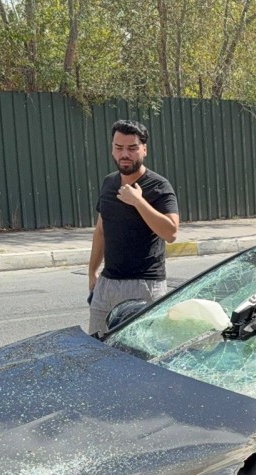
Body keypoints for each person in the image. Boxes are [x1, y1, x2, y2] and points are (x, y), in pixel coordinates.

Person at [88, 119, 180, 337]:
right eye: (119, 148)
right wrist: (92, 271)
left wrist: (138, 201)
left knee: (141, 358)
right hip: (107, 285)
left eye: (132, 148)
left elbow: (171, 232)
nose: (125, 154)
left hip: (144, 286)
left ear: (144, 149)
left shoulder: (159, 186)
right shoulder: (109, 183)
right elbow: (102, 229)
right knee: (96, 351)